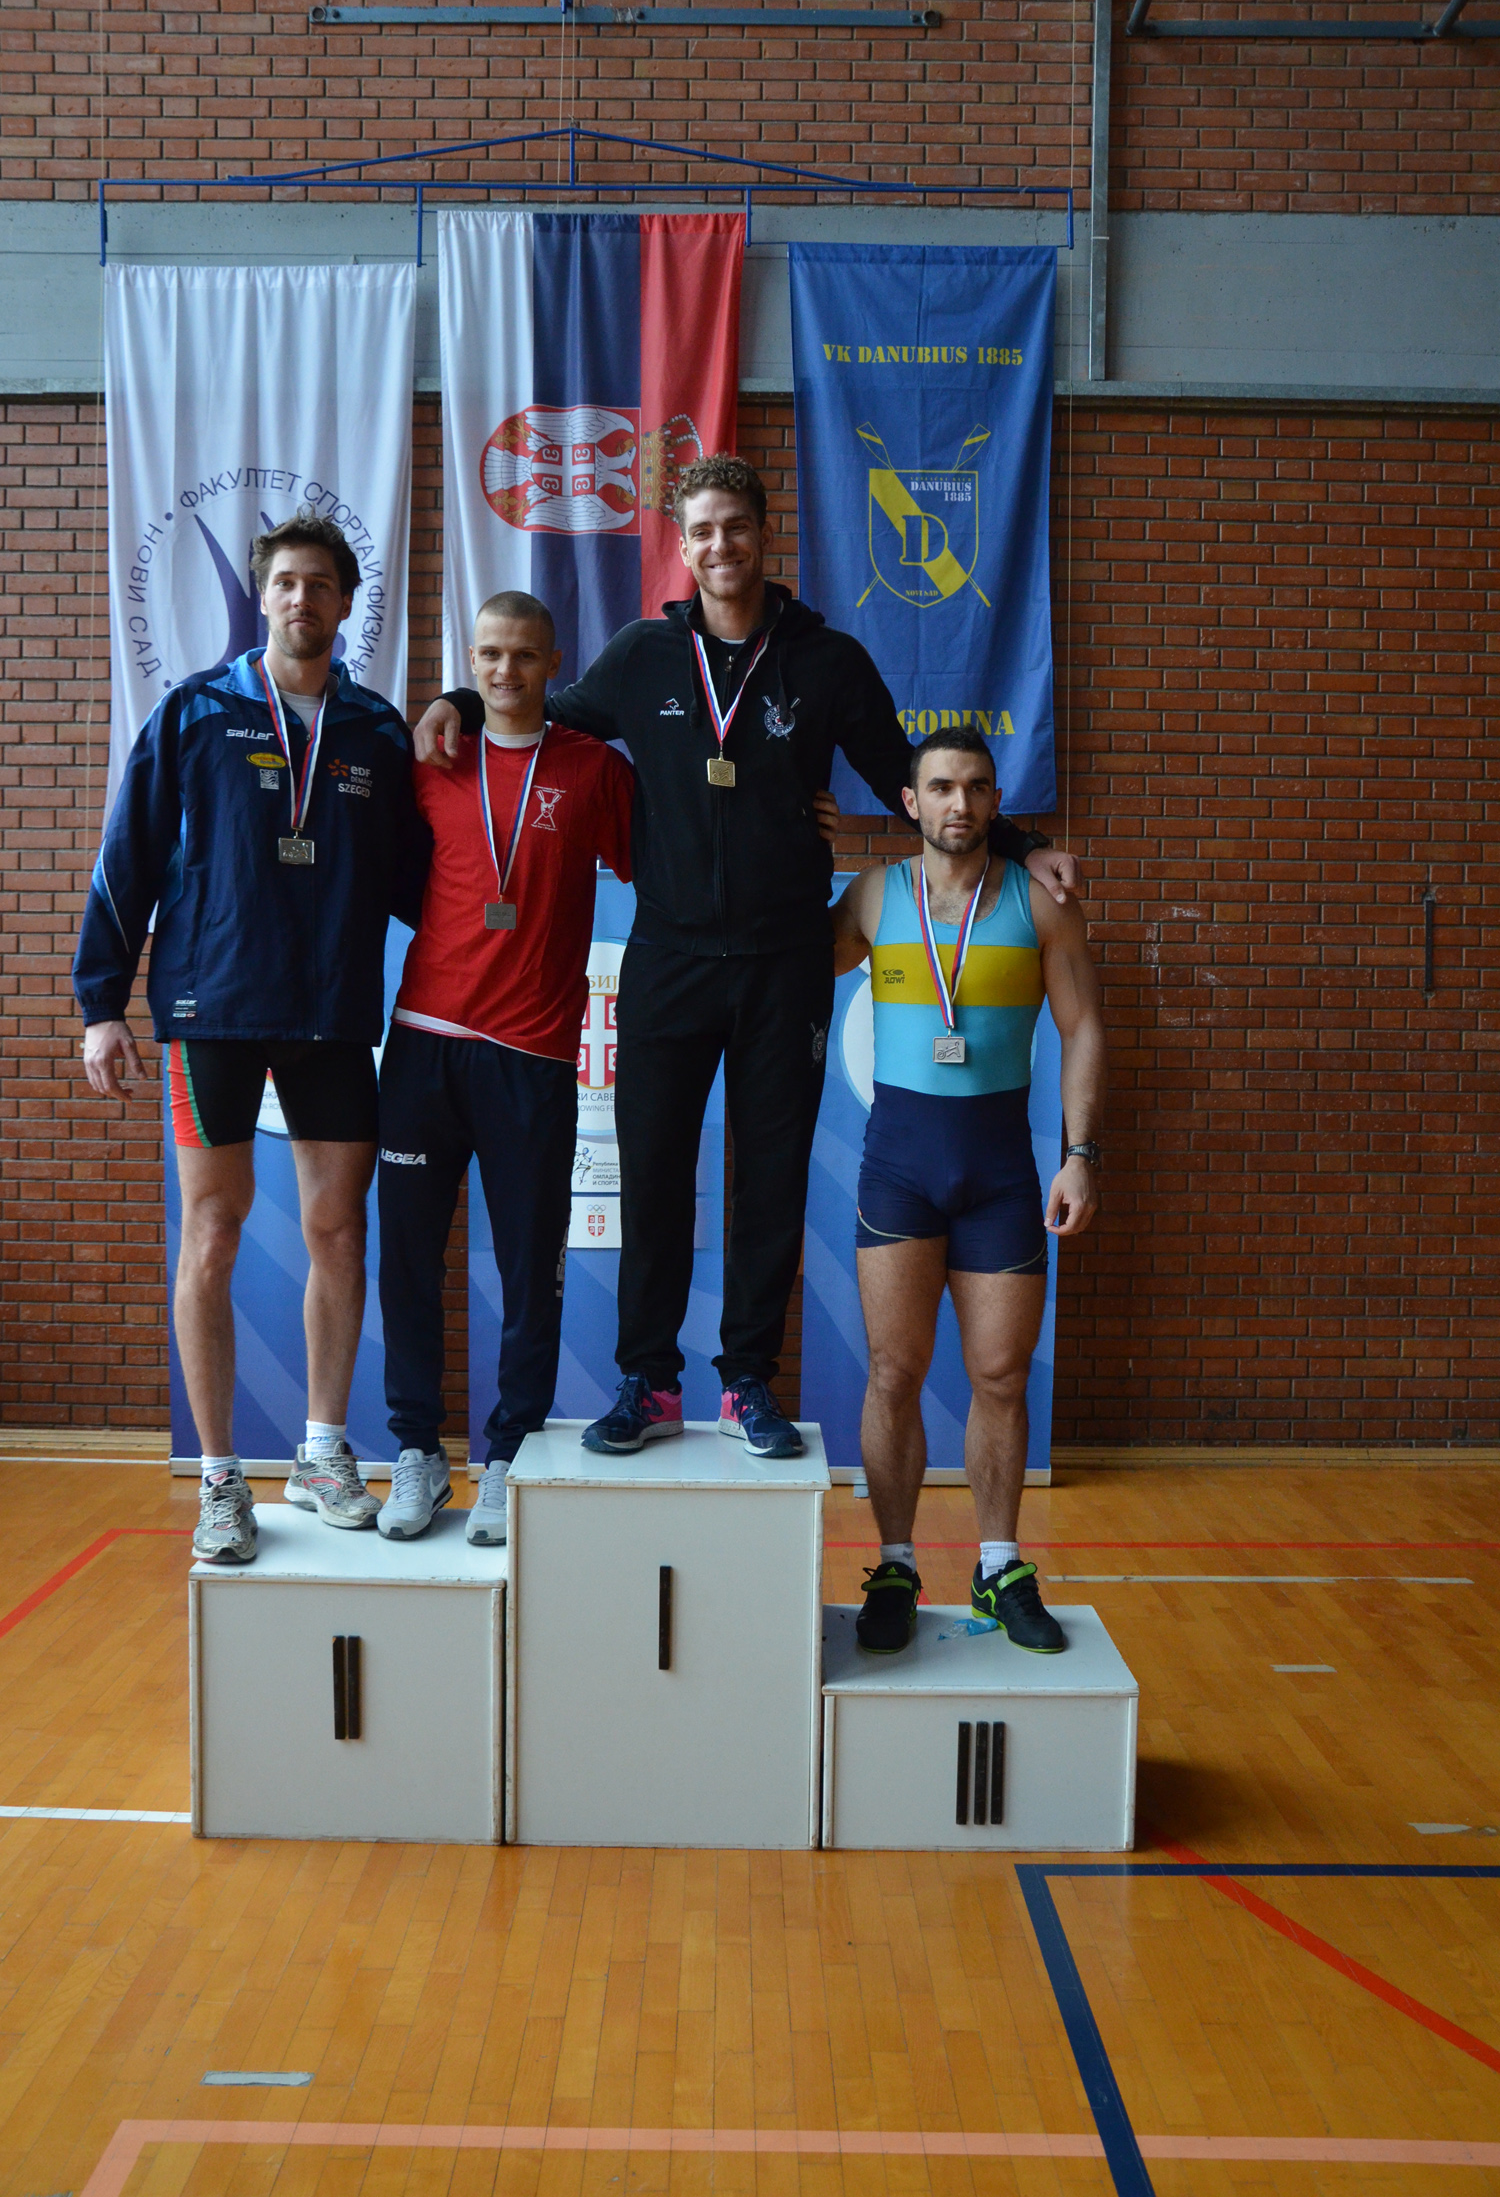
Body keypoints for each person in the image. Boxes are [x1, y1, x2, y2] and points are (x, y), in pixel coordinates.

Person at [413, 456, 1079, 1460]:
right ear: (682, 547)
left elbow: (906, 775)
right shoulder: (642, 656)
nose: (719, 545)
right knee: (654, 1176)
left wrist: (1024, 847)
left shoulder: (827, 661)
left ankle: (747, 1382)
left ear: (765, 535)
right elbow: (544, 712)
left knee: (768, 1180)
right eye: (702, 531)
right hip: (670, 959)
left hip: (783, 961)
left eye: (735, 526)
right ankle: (648, 1379)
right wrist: (460, 702)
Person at [74, 511, 427, 1565]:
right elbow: (128, 856)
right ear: (262, 596)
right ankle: (221, 1478)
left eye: (320, 584)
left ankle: (321, 1453)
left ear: (345, 603)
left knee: (339, 1232)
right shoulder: (195, 712)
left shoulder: (375, 731)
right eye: (285, 582)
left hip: (331, 1012)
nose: (301, 599)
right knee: (213, 1231)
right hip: (211, 1009)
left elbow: (420, 878)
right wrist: (101, 1003)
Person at [829, 725, 1106, 1656]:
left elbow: (1084, 1028)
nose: (960, 803)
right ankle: (895, 1564)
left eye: (977, 786)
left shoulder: (1040, 901)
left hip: (997, 1174)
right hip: (898, 1171)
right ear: (911, 801)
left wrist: (1080, 1154)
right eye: (942, 787)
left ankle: (998, 1563)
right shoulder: (874, 896)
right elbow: (786, 957)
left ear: (996, 801)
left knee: (999, 1374)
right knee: (893, 1373)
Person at [374, 592, 633, 1544]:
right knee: (407, 1259)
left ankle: (509, 1453)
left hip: (533, 1054)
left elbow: (668, 864)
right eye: (489, 654)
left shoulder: (594, 768)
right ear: (470, 658)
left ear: (555, 662)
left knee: (530, 1269)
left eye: (524, 655)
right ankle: (415, 1449)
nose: (505, 671)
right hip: (424, 1041)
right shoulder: (432, 758)